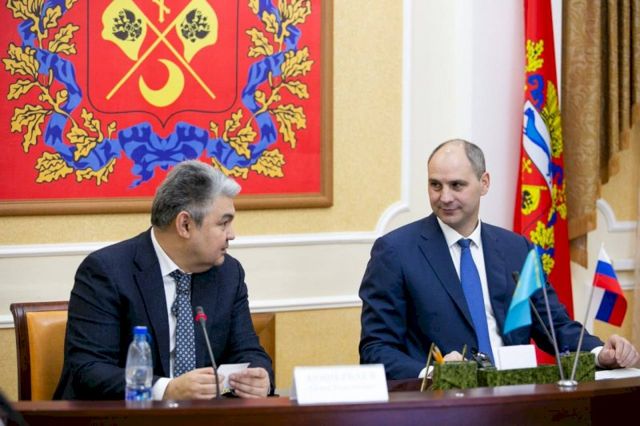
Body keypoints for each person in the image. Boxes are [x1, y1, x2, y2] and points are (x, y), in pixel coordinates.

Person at [359, 139, 640, 380]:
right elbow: (376, 348)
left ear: (484, 183)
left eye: (457, 185)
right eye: (435, 185)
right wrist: (435, 373)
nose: (444, 197)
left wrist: (599, 353)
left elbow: (553, 325)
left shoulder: (516, 249)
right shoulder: (395, 252)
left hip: (514, 396)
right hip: (440, 404)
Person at [54, 160, 273, 400]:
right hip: (122, 414)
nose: (232, 234)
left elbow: (248, 350)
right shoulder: (107, 271)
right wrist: (167, 389)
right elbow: (89, 369)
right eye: (223, 223)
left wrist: (260, 379)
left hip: (204, 415)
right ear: (185, 225)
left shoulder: (228, 273)